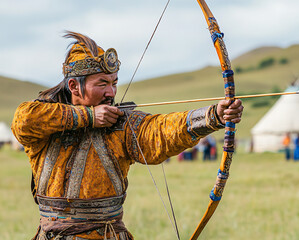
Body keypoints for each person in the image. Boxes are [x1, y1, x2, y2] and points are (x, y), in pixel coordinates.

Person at [11, 31, 243, 240]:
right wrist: (89, 117)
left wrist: (213, 115)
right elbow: (23, 120)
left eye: (114, 83)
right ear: (73, 86)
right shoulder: (45, 123)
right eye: (102, 84)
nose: (111, 92)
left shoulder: (120, 124)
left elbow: (159, 132)